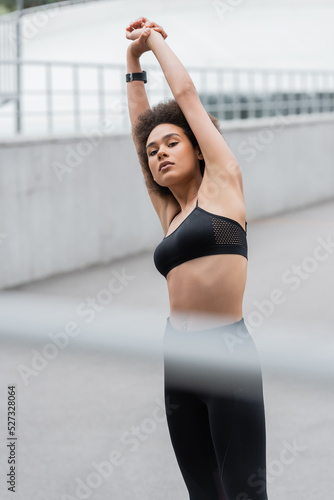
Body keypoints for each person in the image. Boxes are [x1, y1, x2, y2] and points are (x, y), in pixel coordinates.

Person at [125, 17, 268, 500]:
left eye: (172, 142)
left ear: (199, 148)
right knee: (202, 493)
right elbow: (137, 132)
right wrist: (131, 65)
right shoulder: (171, 212)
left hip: (227, 356)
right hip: (177, 360)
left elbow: (186, 96)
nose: (160, 153)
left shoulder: (224, 186)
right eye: (153, 151)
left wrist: (155, 43)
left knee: (243, 492)